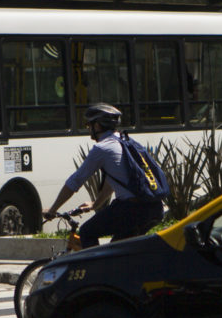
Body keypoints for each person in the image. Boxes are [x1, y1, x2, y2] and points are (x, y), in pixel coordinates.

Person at [42, 103, 164, 248]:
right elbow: (113, 180)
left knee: (87, 231)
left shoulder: (102, 148)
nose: (89, 130)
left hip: (131, 209)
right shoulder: (126, 142)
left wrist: (52, 210)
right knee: (116, 251)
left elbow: (75, 181)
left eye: (89, 125)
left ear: (98, 126)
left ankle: (96, 270)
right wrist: (95, 204)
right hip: (154, 207)